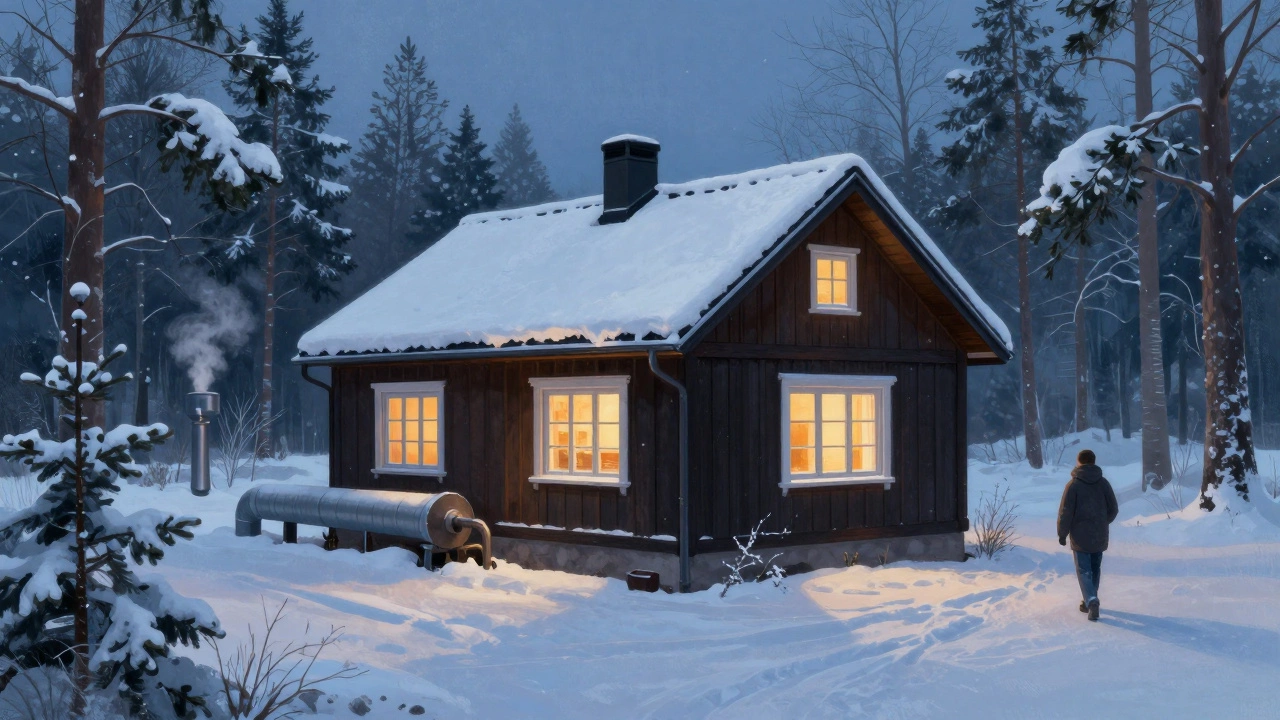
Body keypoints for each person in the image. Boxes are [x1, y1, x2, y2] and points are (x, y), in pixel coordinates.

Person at [1057, 449, 1118, 622]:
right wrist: (1102, 522)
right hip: (1099, 534)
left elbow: (1065, 512)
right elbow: (1113, 508)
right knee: (1095, 568)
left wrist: (1062, 533)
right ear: (1094, 461)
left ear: (1079, 462)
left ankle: (1091, 600)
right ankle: (1089, 600)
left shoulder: (1073, 485)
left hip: (1080, 535)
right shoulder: (1104, 483)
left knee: (1083, 570)